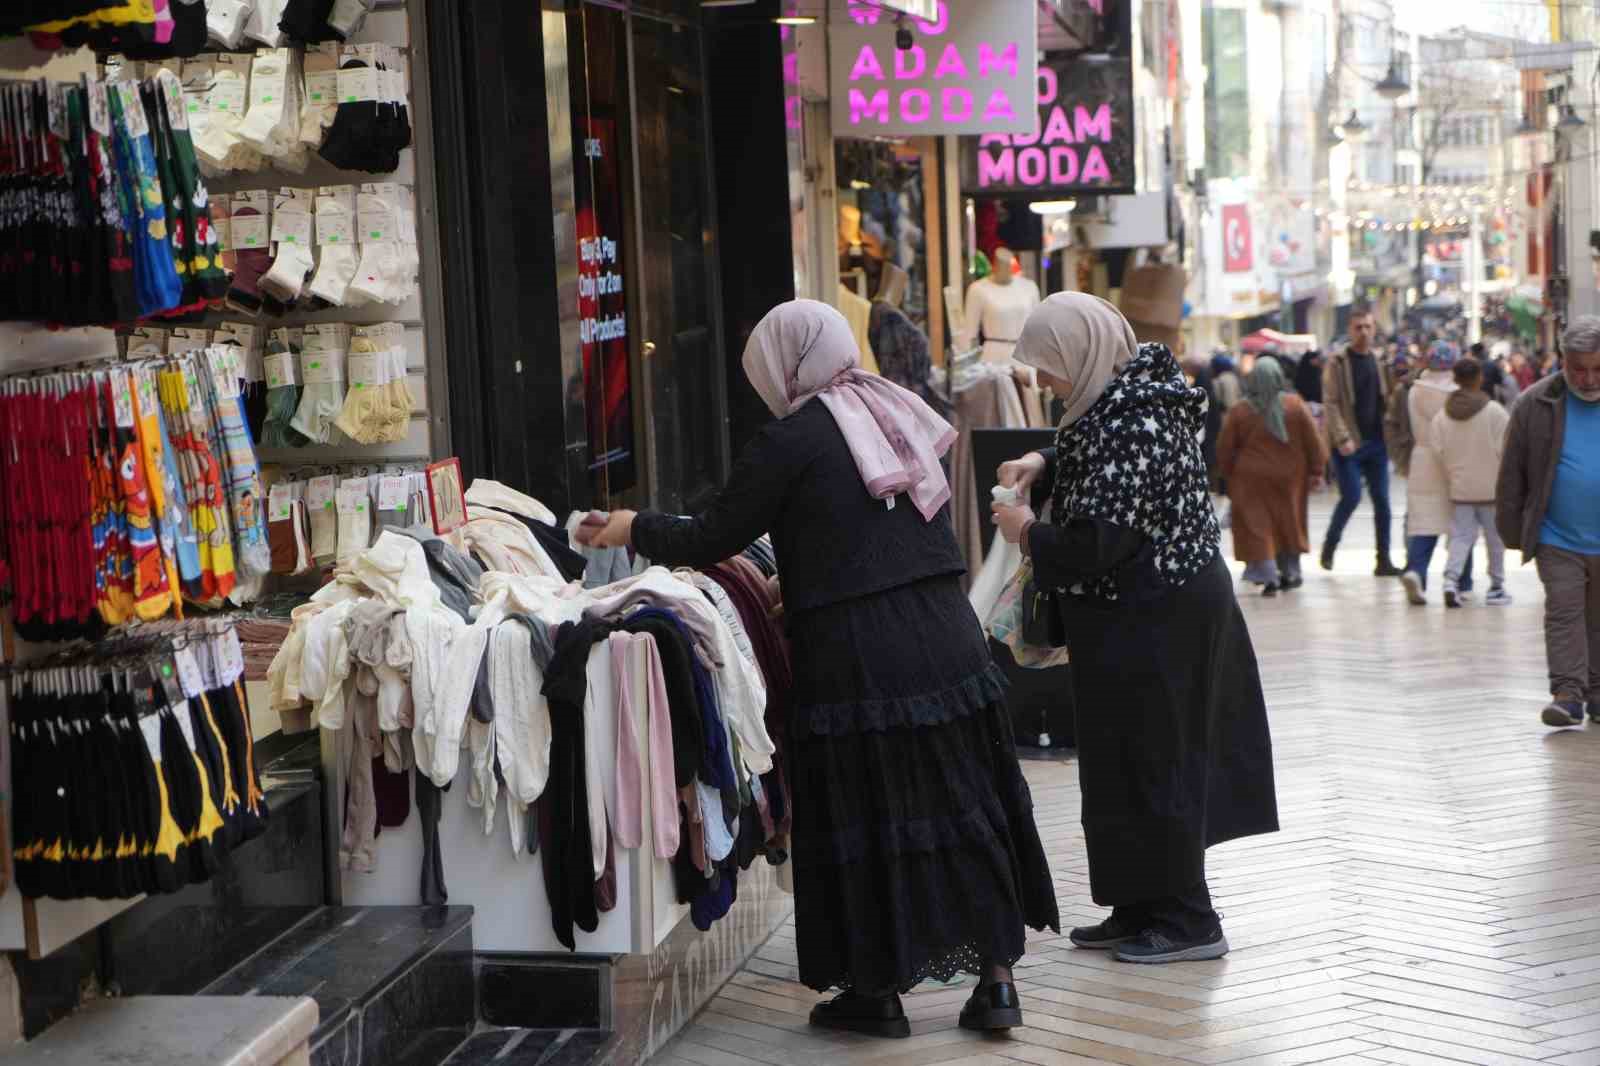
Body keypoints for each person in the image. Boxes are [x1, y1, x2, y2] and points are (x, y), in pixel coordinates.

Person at [579, 300, 1059, 1035]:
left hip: (857, 650)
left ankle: (877, 991)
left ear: (785, 365)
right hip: (944, 631)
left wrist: (631, 526)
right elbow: (874, 526)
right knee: (967, 800)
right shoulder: (894, 408)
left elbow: (715, 532)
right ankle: (997, 984)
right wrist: (797, 582)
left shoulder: (793, 436)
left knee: (866, 811)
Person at [989, 292, 1278, 965]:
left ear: (1080, 354)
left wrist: (1027, 530)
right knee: (1123, 762)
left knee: (1158, 758)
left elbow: (1102, 539)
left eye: (1048, 366)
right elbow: (1098, 463)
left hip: (1160, 616)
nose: (1042, 382)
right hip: (1133, 617)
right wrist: (1044, 461)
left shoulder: (1133, 418)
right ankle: (1139, 903)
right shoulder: (1120, 401)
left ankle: (1189, 919)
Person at [1497, 316, 1600, 729]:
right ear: (1562, 361)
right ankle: (1568, 694)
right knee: (1564, 612)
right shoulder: (1535, 404)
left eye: (1598, 367)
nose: (1589, 378)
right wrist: (1512, 530)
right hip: (1558, 535)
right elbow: (1512, 473)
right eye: (1579, 368)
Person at [1217, 360, 1329, 596]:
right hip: (1290, 478)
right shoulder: (1295, 406)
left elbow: (1225, 449)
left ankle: (1267, 575)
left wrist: (1226, 475)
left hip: (1250, 479)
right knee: (1288, 522)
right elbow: (1314, 443)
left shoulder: (1240, 410)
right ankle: (1290, 572)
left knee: (1258, 526)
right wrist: (1317, 470)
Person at [1320, 307, 1400, 575]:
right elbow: (1330, 403)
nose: (1363, 332)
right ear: (1350, 330)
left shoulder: (1380, 362)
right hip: (1349, 443)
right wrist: (1341, 437)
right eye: (1358, 327)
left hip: (1377, 443)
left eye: (1367, 326)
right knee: (1351, 496)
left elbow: (1389, 399)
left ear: (1374, 328)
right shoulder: (1338, 362)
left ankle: (1384, 560)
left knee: (1383, 502)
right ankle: (1330, 547)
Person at [1431, 358, 1513, 608]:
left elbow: (1438, 451)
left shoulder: (1442, 416)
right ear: (1480, 379)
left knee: (1461, 537)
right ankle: (1496, 587)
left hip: (1461, 488)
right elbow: (1508, 448)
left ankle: (1450, 581)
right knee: (1495, 539)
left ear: (1455, 380)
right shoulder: (1494, 412)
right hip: (1491, 488)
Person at [1400, 342, 1475, 605]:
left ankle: (1416, 572)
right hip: (1455, 461)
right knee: (1461, 525)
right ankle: (1462, 582)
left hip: (1422, 458)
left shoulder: (1414, 392)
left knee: (1424, 523)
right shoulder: (1458, 394)